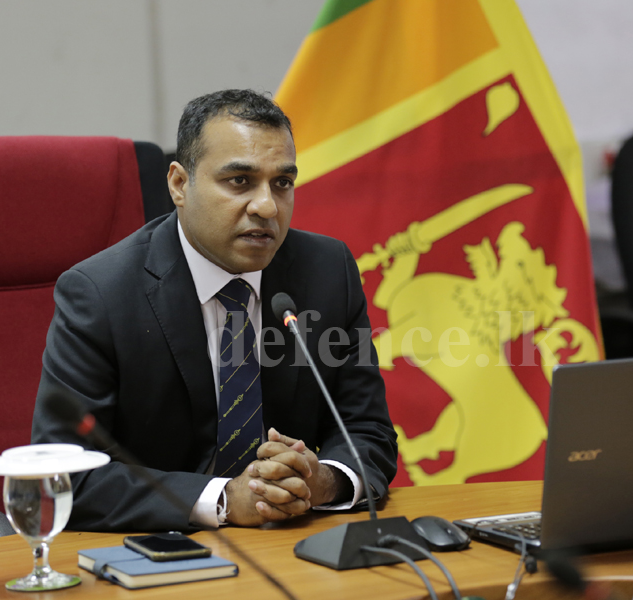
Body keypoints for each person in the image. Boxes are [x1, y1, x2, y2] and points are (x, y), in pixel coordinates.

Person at [31, 89, 398, 531]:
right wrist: (223, 500)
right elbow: (66, 474)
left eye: (282, 182)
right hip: (159, 555)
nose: (266, 206)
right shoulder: (101, 294)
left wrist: (322, 480)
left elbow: (368, 431)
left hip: (296, 546)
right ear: (179, 184)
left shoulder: (327, 271)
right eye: (239, 181)